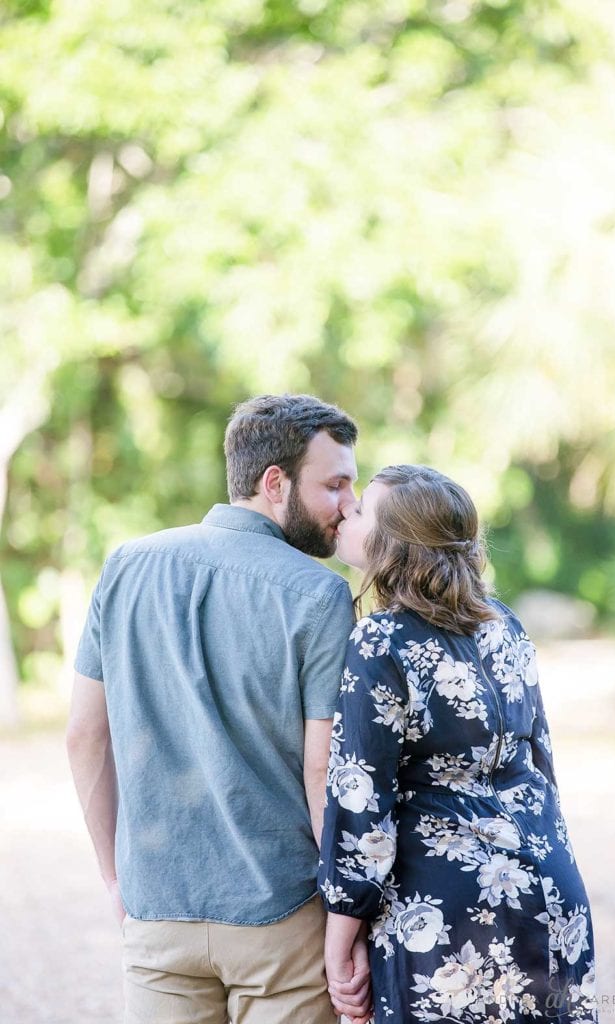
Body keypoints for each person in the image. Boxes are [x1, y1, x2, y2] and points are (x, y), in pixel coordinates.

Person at [66, 393, 372, 1024]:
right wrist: (349, 918)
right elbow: (324, 775)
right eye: (335, 484)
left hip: (156, 914)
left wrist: (115, 880)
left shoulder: (124, 567)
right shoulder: (320, 595)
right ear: (275, 483)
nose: (349, 506)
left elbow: (84, 738)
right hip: (281, 919)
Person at [318, 465, 599, 1024]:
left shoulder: (380, 641)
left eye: (362, 510)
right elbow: (541, 765)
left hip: (447, 909)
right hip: (548, 883)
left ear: (393, 545)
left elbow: (362, 799)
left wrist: (339, 932)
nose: (347, 511)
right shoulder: (506, 625)